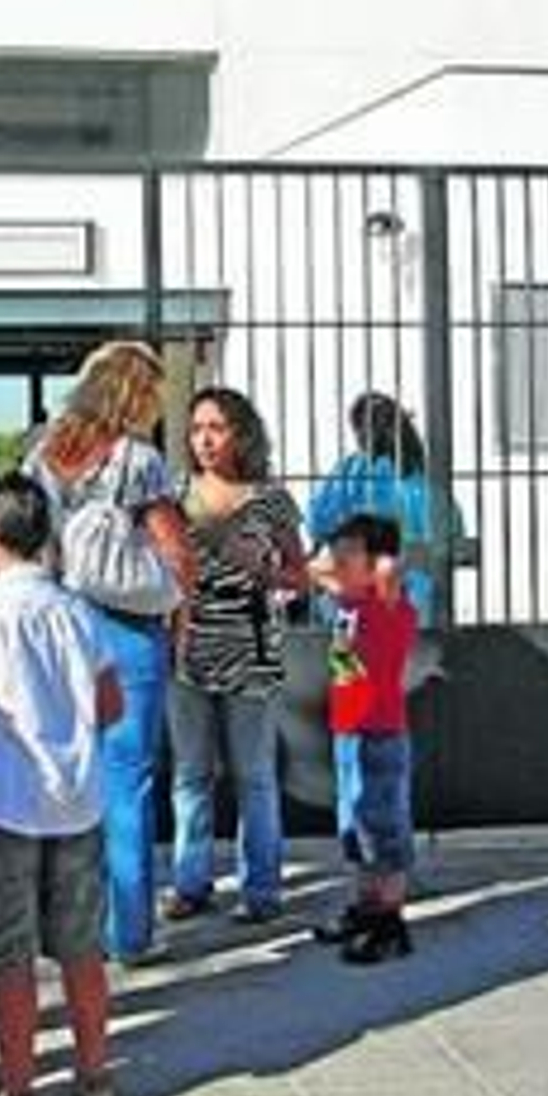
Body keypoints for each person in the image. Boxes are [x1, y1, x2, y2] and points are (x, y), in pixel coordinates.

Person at [0, 474, 124, 1096]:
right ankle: (96, 1076)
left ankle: (18, 1093)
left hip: (2, 807)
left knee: (10, 960)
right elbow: (111, 705)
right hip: (77, 804)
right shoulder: (79, 613)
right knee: (82, 950)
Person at [23, 341, 193, 964]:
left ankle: (71, 923)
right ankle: (129, 932)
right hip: (128, 630)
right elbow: (176, 551)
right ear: (136, 396)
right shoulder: (138, 461)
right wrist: (181, 615)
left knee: (68, 777)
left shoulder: (42, 455)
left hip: (62, 625)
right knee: (128, 781)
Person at [164, 387, 308, 926]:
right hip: (187, 651)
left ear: (241, 434)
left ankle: (262, 889)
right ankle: (190, 883)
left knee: (255, 776)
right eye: (197, 428)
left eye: (216, 428)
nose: (204, 439)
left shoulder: (271, 499)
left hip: (251, 651)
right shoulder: (174, 494)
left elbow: (302, 576)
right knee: (191, 776)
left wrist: (266, 570)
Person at [310, 512, 418, 964]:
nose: (336, 560)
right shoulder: (347, 604)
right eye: (336, 551)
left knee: (384, 829)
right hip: (348, 733)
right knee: (355, 827)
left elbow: (391, 573)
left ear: (376, 564)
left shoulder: (388, 604)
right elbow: (313, 570)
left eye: (348, 553)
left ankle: (390, 921)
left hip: (380, 733)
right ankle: (366, 906)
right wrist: (336, 561)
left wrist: (382, 565)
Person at [306, 391, 463, 627]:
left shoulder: (352, 469)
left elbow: (318, 523)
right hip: (416, 599)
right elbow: (451, 532)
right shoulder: (423, 473)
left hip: (357, 593)